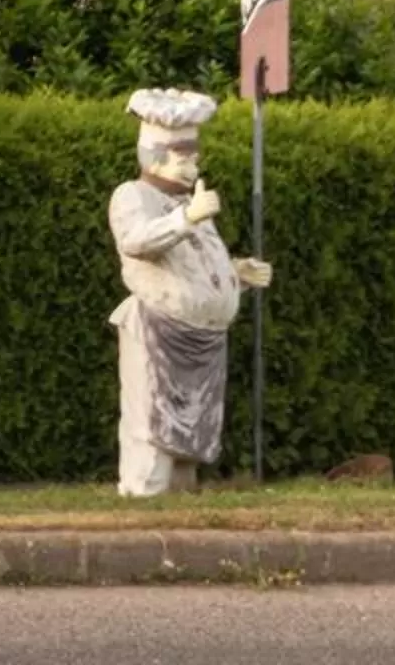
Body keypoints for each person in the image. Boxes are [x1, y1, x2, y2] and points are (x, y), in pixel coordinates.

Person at [109, 88, 272, 497]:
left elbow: (193, 264)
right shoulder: (133, 195)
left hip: (204, 338)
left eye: (194, 159)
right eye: (184, 159)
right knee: (152, 418)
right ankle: (145, 491)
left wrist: (236, 273)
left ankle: (181, 494)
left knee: (192, 426)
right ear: (155, 158)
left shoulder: (188, 201)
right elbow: (137, 242)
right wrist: (187, 217)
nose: (193, 167)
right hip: (159, 330)